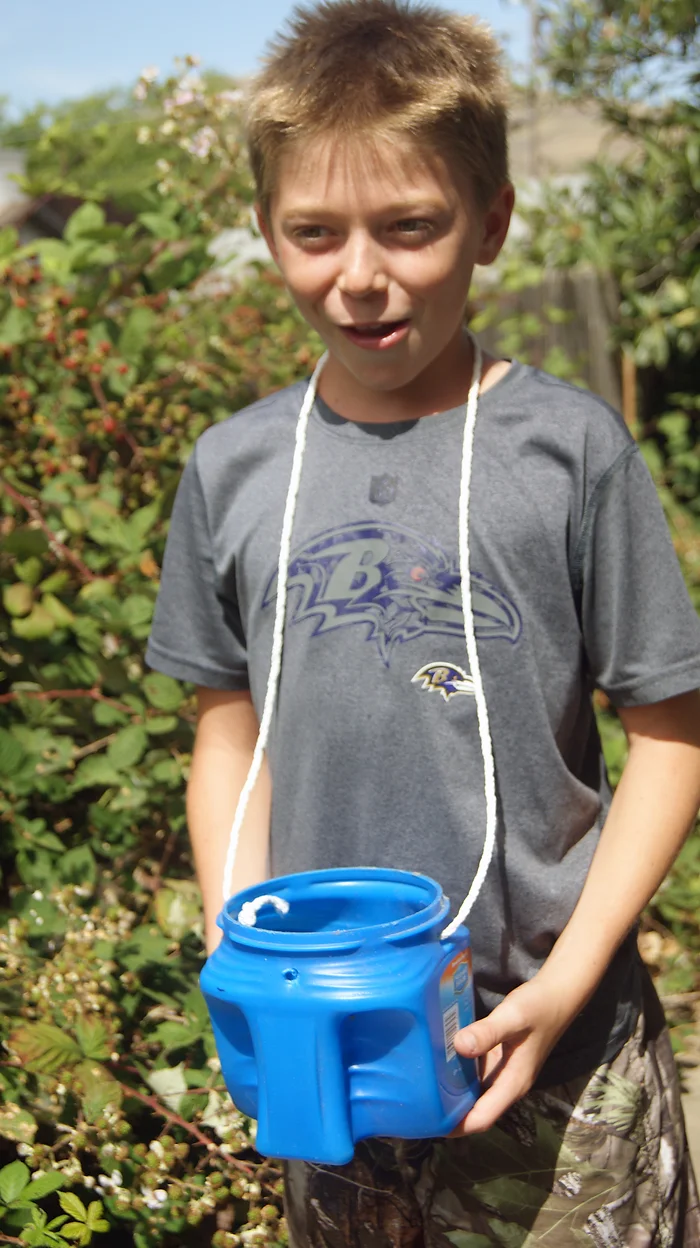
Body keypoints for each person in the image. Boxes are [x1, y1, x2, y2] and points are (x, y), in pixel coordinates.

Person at [145, 1, 700, 1242]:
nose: (359, 276)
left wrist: (563, 988)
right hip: (326, 1058)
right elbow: (225, 733)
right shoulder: (233, 468)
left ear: (490, 222)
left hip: (556, 1053)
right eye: (312, 233)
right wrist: (246, 963)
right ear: (264, 233)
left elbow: (672, 730)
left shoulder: (569, 453)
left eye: (410, 227)